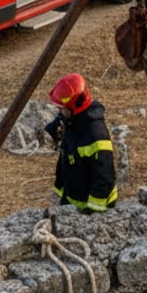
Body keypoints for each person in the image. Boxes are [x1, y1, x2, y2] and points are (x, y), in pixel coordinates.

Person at [44, 73, 118, 213]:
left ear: (75, 107)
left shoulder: (96, 136)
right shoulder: (74, 120)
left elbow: (103, 175)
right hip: (73, 194)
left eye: (62, 108)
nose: (60, 112)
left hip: (92, 204)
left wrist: (93, 210)